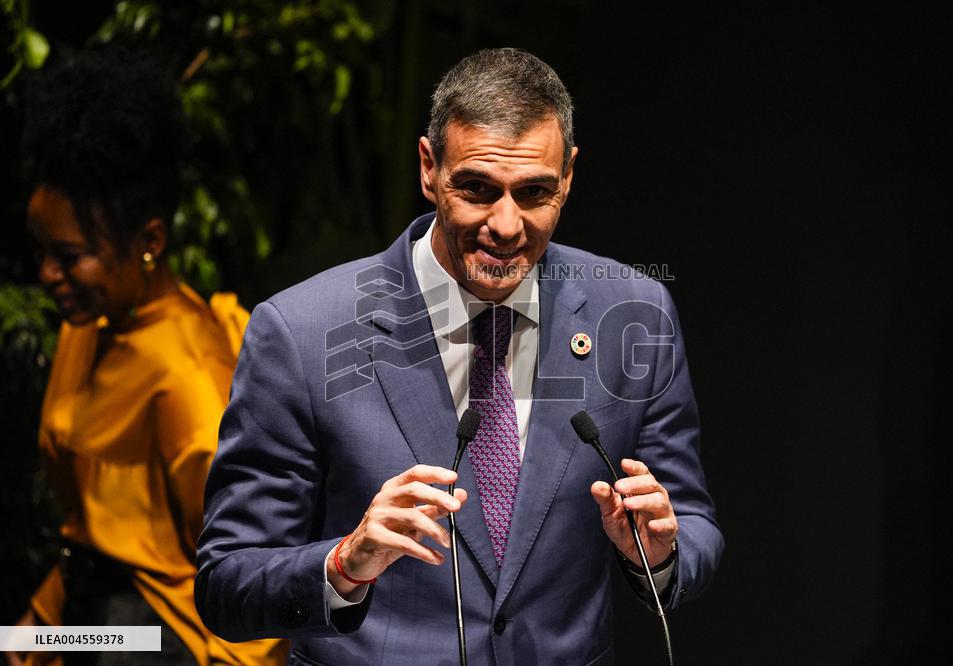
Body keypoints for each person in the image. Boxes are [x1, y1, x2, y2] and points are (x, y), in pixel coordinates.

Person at [196, 48, 723, 664]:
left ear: (569, 177)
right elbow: (227, 583)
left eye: (534, 193)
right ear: (428, 168)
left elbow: (694, 527)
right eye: (477, 189)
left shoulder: (633, 315)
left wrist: (659, 551)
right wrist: (344, 563)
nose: (505, 225)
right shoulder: (302, 332)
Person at [11, 50, 287, 665]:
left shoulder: (186, 374)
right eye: (42, 250)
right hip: (94, 608)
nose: (48, 274)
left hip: (161, 635)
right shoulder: (93, 318)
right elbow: (92, 526)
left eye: (70, 254)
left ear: (150, 243)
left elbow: (251, 574)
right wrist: (43, 616)